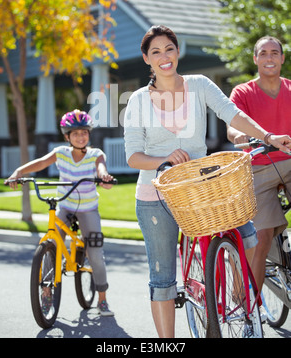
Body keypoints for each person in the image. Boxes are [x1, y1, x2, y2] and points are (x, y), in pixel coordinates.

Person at [123, 25, 291, 338]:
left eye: (169, 49)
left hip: (201, 190)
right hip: (155, 196)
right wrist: (162, 161)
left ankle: (241, 304)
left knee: (249, 235)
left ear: (178, 51)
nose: (164, 57)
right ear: (146, 58)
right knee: (162, 279)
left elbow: (233, 114)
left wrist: (268, 136)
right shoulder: (137, 100)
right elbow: (133, 156)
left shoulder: (199, 85)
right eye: (156, 51)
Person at [7, 109, 115, 316]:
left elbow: (101, 169)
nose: (80, 137)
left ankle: (102, 299)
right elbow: (40, 163)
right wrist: (19, 172)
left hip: (88, 208)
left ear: (89, 134)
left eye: (84, 132)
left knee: (95, 253)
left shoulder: (96, 154)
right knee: (52, 244)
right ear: (67, 137)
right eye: (75, 134)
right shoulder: (61, 153)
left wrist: (104, 177)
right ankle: (46, 292)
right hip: (65, 206)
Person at [227, 36, 291, 293]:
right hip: (258, 166)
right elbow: (231, 124)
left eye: (274, 53)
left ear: (282, 58)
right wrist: (238, 136)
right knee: (261, 237)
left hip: (290, 161)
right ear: (255, 59)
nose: (269, 58)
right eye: (263, 53)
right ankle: (247, 304)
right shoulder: (243, 92)